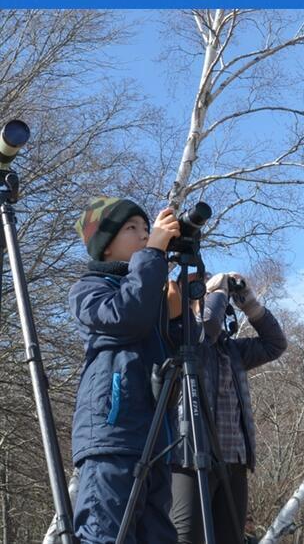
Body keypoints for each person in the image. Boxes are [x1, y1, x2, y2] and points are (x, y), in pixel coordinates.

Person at [69, 197, 181, 544]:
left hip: (156, 439)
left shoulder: (149, 291)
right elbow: (125, 316)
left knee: (157, 535)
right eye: (131, 228)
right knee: (107, 533)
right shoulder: (88, 289)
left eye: (146, 229)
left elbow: (188, 354)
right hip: (112, 436)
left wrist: (178, 318)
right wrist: (153, 256)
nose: (144, 235)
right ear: (104, 247)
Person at [169, 270, 287, 543]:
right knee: (185, 538)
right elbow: (205, 329)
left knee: (230, 539)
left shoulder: (231, 350)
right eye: (203, 294)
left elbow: (275, 344)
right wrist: (219, 293)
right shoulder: (181, 339)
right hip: (189, 457)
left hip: (234, 459)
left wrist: (249, 303)